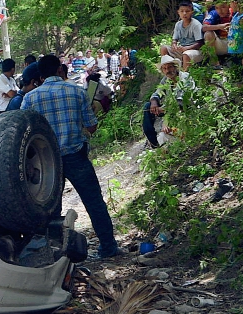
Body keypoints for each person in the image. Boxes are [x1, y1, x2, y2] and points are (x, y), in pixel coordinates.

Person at [21, 54, 121, 260]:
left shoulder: (30, 98)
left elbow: (23, 131)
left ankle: (55, 254)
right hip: (76, 155)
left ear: (40, 75)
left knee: (51, 209)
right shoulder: (76, 92)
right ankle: (108, 247)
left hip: (47, 163)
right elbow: (92, 127)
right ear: (60, 69)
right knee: (94, 202)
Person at [142, 55, 196, 148]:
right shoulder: (165, 80)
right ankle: (154, 142)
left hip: (186, 108)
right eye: (165, 68)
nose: (168, 71)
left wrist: (164, 110)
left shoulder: (185, 77)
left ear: (175, 67)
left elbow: (182, 101)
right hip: (170, 108)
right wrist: (154, 102)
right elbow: (157, 92)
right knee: (147, 107)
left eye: (170, 67)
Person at [160, 1, 205, 70]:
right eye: (182, 11)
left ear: (192, 12)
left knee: (186, 54)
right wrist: (174, 45)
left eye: (187, 11)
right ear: (178, 12)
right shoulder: (178, 24)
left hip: (195, 51)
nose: (184, 13)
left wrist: (186, 48)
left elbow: (200, 43)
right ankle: (169, 70)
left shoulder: (196, 24)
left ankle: (184, 77)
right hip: (182, 50)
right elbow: (174, 39)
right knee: (164, 48)